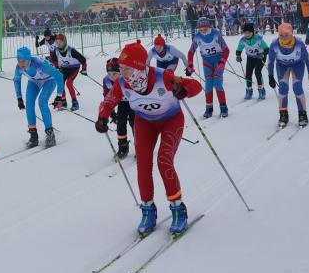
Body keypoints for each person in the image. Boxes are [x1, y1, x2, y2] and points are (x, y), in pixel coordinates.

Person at [95, 40, 202, 237]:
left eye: (127, 69)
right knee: (143, 163)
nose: (123, 74)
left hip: (171, 119)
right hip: (144, 122)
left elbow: (195, 86)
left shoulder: (163, 76)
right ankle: (148, 209)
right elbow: (109, 101)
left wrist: (183, 90)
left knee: (163, 160)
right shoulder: (121, 83)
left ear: (139, 67)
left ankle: (178, 208)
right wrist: (102, 116)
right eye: (121, 69)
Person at [14, 47, 64, 148]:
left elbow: (59, 76)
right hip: (34, 80)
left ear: (28, 59)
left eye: (23, 61)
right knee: (29, 103)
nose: (21, 64)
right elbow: (17, 81)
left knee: (42, 101)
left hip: (49, 80)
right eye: (18, 61)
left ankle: (50, 134)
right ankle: (33, 135)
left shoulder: (41, 64)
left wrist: (59, 96)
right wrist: (19, 98)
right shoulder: (18, 67)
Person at [268, 23, 309, 128]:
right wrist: (270, 76)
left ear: (291, 33)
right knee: (283, 89)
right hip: (282, 66)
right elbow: (270, 61)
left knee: (297, 87)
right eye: (281, 35)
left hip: (297, 65)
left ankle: (302, 114)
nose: (284, 37)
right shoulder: (274, 44)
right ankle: (283, 114)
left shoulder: (299, 43)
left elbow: (307, 59)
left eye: (286, 35)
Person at [187, 17, 230, 118]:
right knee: (208, 85)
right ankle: (209, 108)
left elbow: (226, 50)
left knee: (217, 83)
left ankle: (223, 107)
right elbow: (191, 51)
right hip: (207, 62)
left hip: (218, 61)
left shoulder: (216, 34)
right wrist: (190, 64)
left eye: (205, 29)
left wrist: (222, 61)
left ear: (209, 27)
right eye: (200, 29)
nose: (203, 31)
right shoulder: (197, 37)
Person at [103, 57, 135, 159]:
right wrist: (111, 113)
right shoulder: (107, 81)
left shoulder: (128, 78)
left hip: (134, 102)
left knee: (134, 124)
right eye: (109, 74)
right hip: (122, 102)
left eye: (114, 74)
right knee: (121, 123)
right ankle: (123, 147)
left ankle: (141, 147)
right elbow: (107, 97)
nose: (112, 77)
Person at [50, 33, 87, 111]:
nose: (59, 44)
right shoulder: (56, 50)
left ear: (65, 42)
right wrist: (57, 67)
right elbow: (53, 59)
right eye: (57, 42)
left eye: (61, 42)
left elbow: (83, 60)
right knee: (60, 82)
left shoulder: (71, 50)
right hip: (64, 68)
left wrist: (84, 69)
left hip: (74, 68)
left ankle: (75, 103)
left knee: (69, 83)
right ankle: (63, 102)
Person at [235, 22, 269, 100]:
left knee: (257, 72)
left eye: (249, 32)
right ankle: (249, 90)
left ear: (252, 32)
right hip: (250, 58)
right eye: (245, 32)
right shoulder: (243, 40)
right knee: (248, 74)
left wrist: (262, 53)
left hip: (260, 57)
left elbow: (267, 49)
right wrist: (238, 56)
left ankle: (261, 89)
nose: (247, 34)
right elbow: (239, 49)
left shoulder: (258, 39)